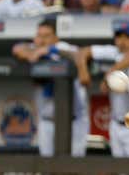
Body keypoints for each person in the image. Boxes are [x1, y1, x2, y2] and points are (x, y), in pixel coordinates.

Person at [75, 24, 129, 157]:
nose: (122, 41)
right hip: (117, 124)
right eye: (119, 37)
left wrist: (109, 73)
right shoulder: (113, 52)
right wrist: (82, 70)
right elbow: (82, 52)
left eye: (127, 37)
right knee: (120, 168)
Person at [12, 19, 88, 157]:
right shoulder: (34, 48)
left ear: (55, 38)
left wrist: (49, 50)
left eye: (46, 36)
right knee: (47, 167)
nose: (41, 40)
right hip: (47, 121)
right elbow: (17, 49)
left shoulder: (64, 48)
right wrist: (33, 53)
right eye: (39, 35)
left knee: (74, 167)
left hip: (73, 121)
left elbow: (78, 54)